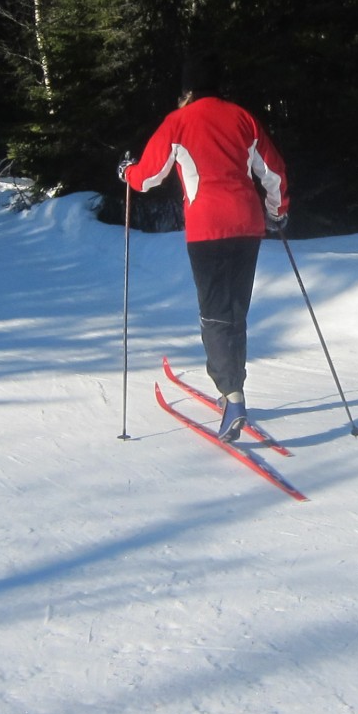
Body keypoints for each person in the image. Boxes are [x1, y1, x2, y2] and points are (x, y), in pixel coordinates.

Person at [121, 53, 289, 441]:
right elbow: (274, 172)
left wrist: (126, 172)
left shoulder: (178, 122)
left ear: (187, 89)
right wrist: (277, 211)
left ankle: (233, 396)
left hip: (207, 228)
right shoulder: (243, 118)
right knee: (235, 310)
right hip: (247, 223)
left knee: (214, 313)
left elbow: (148, 177)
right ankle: (231, 388)